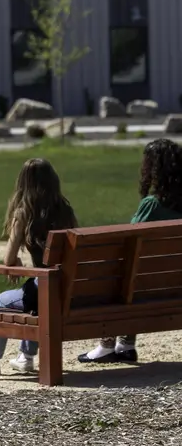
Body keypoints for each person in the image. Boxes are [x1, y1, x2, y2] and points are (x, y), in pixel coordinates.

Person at [0, 158, 77, 376]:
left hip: (45, 286)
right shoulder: (65, 210)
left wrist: (16, 262)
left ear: (23, 184)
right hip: (68, 287)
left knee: (3, 301)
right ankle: (25, 356)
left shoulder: (24, 213)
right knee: (35, 293)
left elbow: (7, 260)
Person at [78, 138, 182, 365]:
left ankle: (107, 346)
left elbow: (125, 243)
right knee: (137, 275)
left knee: (119, 276)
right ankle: (125, 345)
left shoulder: (152, 205)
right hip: (174, 284)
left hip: (145, 287)